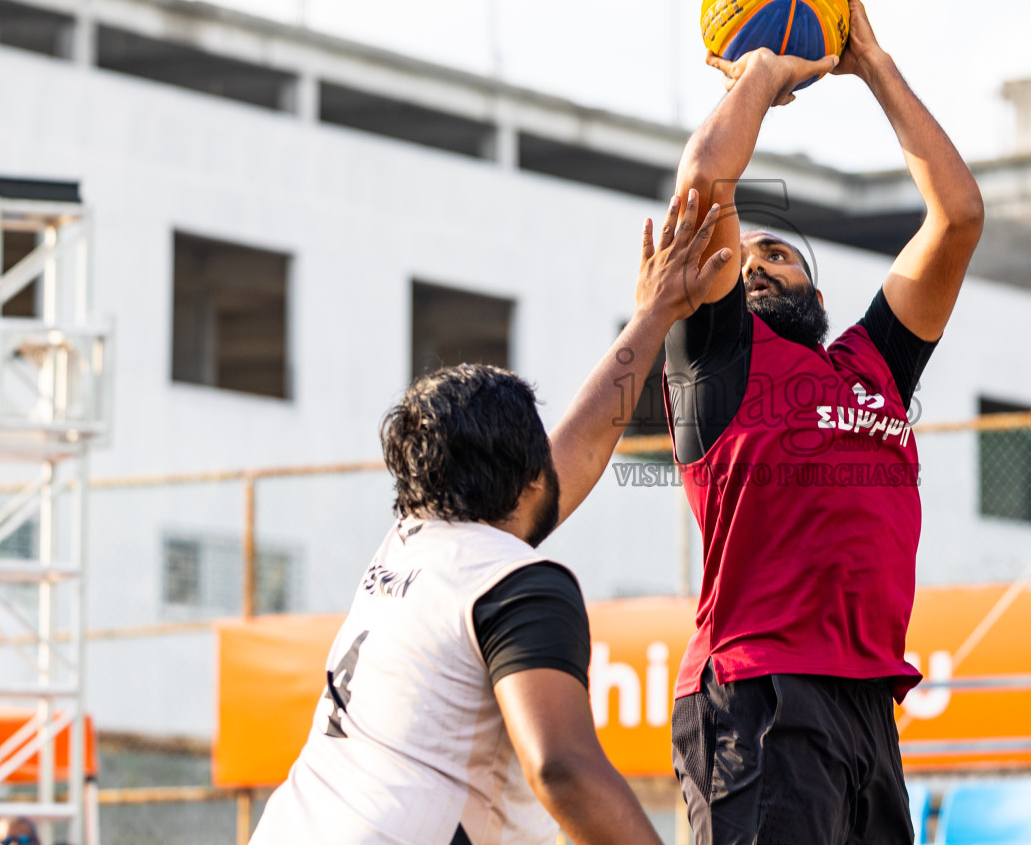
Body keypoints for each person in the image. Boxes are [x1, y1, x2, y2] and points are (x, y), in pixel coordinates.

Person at [252, 191, 733, 845]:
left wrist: (654, 313)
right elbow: (563, 769)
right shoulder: (520, 585)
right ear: (531, 481)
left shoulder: (407, 546)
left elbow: (577, 449)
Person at [664, 0, 985, 844]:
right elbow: (705, 177)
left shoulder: (871, 365)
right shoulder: (721, 358)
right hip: (760, 693)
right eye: (748, 257)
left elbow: (956, 216)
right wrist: (765, 69)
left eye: (783, 257)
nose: (761, 263)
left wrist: (871, 63)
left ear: (816, 291)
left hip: (866, 704)